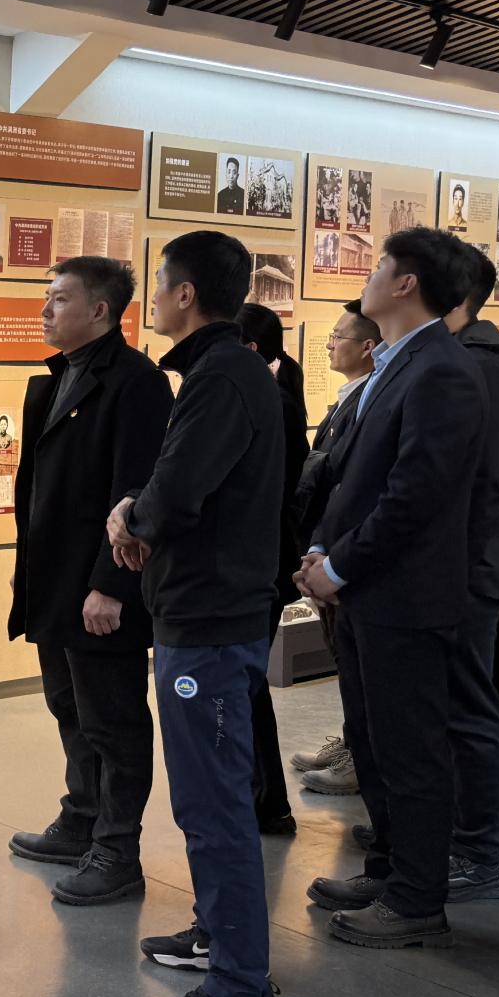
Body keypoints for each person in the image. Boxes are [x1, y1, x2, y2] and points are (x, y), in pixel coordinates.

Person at [109, 230, 286, 997]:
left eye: (159, 284)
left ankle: (241, 993)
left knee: (213, 805)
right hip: (206, 612)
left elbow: (178, 490)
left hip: (211, 623)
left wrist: (131, 518)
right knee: (209, 797)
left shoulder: (222, 376)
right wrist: (142, 511)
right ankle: (219, 937)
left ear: (185, 294)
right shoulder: (225, 371)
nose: (153, 298)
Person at [295, 228, 484, 950]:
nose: (366, 277)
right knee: (372, 744)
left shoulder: (441, 369)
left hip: (403, 596)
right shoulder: (397, 362)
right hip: (367, 590)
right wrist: (322, 549)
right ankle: (389, 869)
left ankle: (416, 898)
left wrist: (339, 567)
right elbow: (353, 478)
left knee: (410, 752)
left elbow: (414, 496)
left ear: (406, 284)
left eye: (378, 266)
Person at [7, 256, 172, 906]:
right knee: (68, 706)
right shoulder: (58, 378)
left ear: (100, 310)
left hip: (100, 585)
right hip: (55, 582)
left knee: (114, 721)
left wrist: (110, 585)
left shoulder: (136, 383)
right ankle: (81, 818)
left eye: (59, 299)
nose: (45, 310)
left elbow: (135, 491)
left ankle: (117, 851)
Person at [434, 241, 499, 899]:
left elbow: (480, 484)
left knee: (468, 707)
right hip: (445, 569)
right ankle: (440, 838)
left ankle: (478, 854)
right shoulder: (460, 358)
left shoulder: (483, 368)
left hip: (465, 571)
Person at [290, 302, 379, 796]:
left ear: (367, 346)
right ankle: (350, 742)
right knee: (343, 658)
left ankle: (360, 757)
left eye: (339, 336)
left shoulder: (370, 397)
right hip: (326, 543)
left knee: (356, 665)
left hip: (345, 551)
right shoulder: (347, 399)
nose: (329, 344)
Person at [234, 303, 305, 836]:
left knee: (246, 685)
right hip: (260, 562)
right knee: (245, 684)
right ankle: (263, 798)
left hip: (257, 565)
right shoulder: (271, 395)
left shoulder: (269, 401)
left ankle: (265, 799)